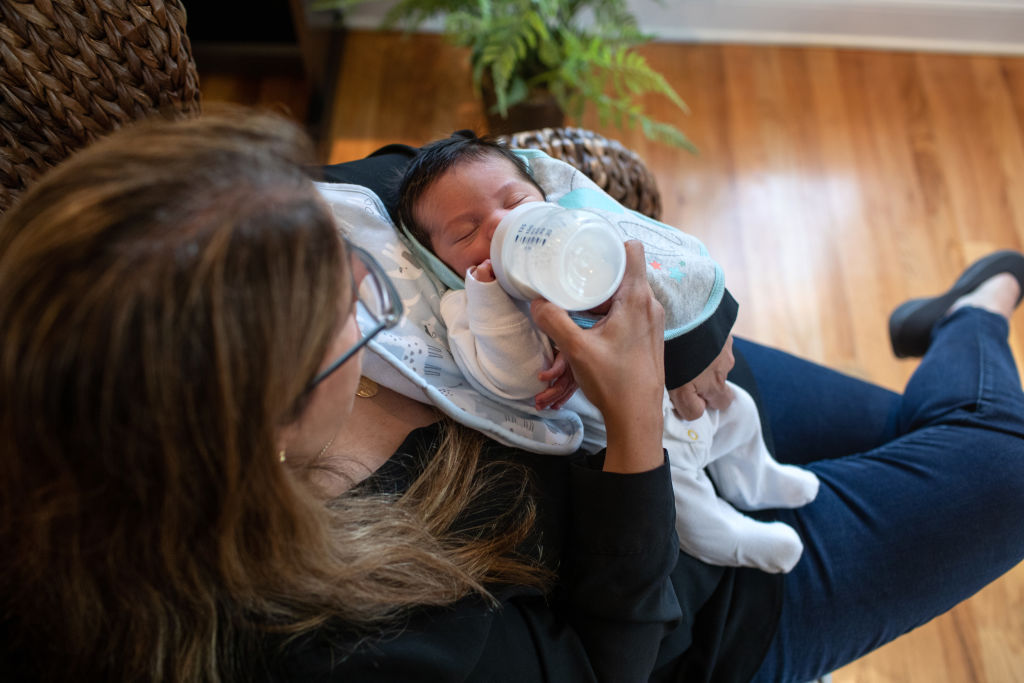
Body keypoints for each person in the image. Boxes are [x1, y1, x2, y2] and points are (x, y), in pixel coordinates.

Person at [3, 110, 1024, 683]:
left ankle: (956, 344)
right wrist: (628, 425)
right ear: (256, 432)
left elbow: (413, 175)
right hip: (700, 600)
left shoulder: (244, 239)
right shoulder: (362, 653)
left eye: (342, 243)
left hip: (655, 386)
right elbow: (604, 660)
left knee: (939, 436)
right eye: (350, 308)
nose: (374, 276)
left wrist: (681, 346)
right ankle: (977, 308)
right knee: (999, 456)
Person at [396, 131, 819, 573]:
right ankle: (732, 539)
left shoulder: (581, 248)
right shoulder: (468, 306)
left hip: (679, 392)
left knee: (739, 410)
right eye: (466, 232)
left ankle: (754, 476)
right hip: (640, 442)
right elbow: (518, 380)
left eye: (516, 201)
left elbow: (656, 279)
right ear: (439, 265)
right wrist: (489, 297)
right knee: (687, 501)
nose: (500, 225)